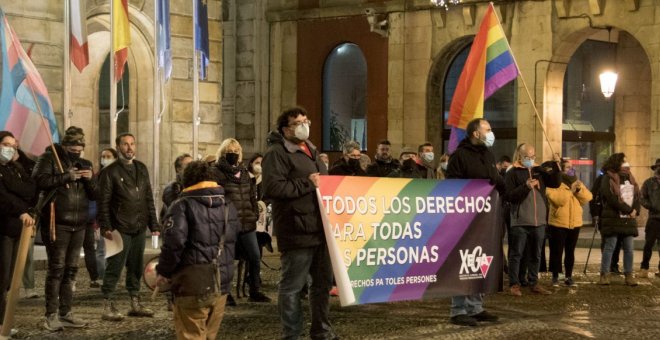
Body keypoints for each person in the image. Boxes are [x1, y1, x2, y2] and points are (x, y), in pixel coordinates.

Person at [262, 107, 337, 339]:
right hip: (297, 230)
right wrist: (307, 183)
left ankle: (321, 330)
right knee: (292, 287)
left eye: (306, 120)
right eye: (298, 122)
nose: (304, 125)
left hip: (320, 228)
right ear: (286, 129)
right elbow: (273, 188)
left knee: (322, 285)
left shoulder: (311, 150)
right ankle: (292, 334)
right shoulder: (277, 153)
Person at [156, 160, 240, 340]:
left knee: (191, 335)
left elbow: (174, 245)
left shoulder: (181, 206)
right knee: (210, 335)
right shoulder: (228, 205)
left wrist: (163, 271)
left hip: (192, 283)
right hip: (221, 283)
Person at [32, 126, 97, 330]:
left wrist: (89, 180)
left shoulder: (86, 163)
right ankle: (50, 314)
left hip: (79, 224)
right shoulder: (49, 158)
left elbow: (96, 194)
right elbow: (39, 180)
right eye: (72, 147)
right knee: (56, 269)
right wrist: (66, 177)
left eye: (80, 148)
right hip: (57, 223)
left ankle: (66, 312)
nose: (76, 151)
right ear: (65, 145)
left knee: (71, 270)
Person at [445, 118, 503, 327]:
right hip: (464, 218)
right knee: (462, 263)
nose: (491, 132)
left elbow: (495, 179)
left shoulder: (487, 154)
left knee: (478, 262)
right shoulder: (459, 156)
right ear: (476, 133)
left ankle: (475, 307)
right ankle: (458, 309)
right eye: (487, 129)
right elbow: (451, 186)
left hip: (484, 218)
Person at [98, 133, 160, 321]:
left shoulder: (141, 168)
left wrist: (154, 224)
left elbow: (148, 197)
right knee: (114, 266)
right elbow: (103, 202)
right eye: (125, 144)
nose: (130, 147)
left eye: (132, 144)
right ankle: (107, 303)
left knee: (135, 266)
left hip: (139, 226)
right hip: (118, 227)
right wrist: (106, 226)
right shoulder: (110, 172)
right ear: (118, 147)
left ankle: (135, 302)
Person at [213, 138, 271, 303]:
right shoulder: (216, 171)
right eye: (229, 151)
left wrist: (253, 213)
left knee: (254, 256)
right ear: (223, 153)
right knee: (227, 260)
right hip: (228, 223)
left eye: (236, 151)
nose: (233, 154)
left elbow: (251, 196)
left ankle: (254, 291)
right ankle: (226, 293)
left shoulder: (243, 172)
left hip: (247, 223)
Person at [504, 144, 560, 297]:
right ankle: (514, 284)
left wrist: (556, 166)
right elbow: (509, 196)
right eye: (527, 157)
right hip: (520, 221)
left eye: (533, 156)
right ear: (520, 156)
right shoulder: (512, 172)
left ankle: (533, 282)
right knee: (516, 254)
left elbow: (555, 183)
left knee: (536, 254)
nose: (531, 160)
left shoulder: (539, 171)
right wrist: (526, 186)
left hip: (539, 221)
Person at [0, 131, 37, 337]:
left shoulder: (15, 168)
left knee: (8, 281)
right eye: (6, 145)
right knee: (1, 278)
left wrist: (19, 155)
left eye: (13, 146)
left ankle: (3, 322)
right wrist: (20, 208)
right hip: (3, 229)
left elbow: (30, 189)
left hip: (16, 229)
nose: (10, 149)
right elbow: (3, 197)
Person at [546, 159, 592, 287]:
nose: (571, 170)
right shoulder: (554, 183)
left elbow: (588, 197)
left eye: (572, 167)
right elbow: (558, 200)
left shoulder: (575, 181)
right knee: (557, 251)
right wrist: (570, 191)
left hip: (575, 223)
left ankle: (568, 275)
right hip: (558, 223)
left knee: (570, 251)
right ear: (561, 169)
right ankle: (556, 275)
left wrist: (578, 190)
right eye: (567, 167)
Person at [598, 153, 641, 286]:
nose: (626, 164)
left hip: (628, 219)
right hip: (613, 218)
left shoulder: (630, 178)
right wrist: (628, 209)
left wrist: (635, 210)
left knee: (629, 248)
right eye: (624, 161)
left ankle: (629, 275)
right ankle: (605, 275)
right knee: (610, 246)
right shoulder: (607, 177)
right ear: (617, 163)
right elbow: (610, 198)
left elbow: (637, 196)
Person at [90, 148, 119, 283]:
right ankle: (102, 277)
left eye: (108, 156)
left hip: (117, 219)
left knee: (114, 250)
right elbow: (95, 201)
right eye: (103, 156)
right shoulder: (98, 176)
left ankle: (111, 277)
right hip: (102, 218)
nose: (105, 159)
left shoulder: (119, 174)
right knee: (101, 249)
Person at [15, 147, 39, 299]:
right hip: (9, 215)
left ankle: (29, 286)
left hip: (27, 214)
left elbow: (32, 189)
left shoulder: (28, 165)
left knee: (27, 253)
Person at [640, 158, 660, 278]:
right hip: (653, 218)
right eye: (657, 166)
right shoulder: (648, 182)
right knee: (648, 245)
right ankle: (644, 268)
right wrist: (651, 206)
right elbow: (642, 198)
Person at [161, 153, 193, 221]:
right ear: (179, 169)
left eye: (193, 164)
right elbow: (176, 211)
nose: (192, 167)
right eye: (188, 165)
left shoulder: (190, 185)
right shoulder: (172, 188)